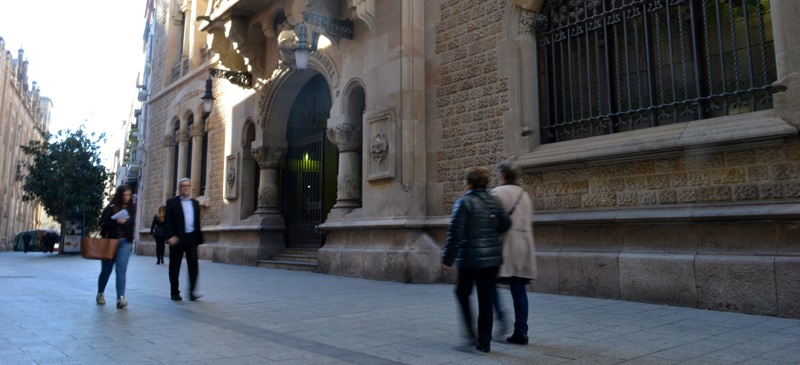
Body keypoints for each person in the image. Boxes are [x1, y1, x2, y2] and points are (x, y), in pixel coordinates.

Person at [441, 166, 511, 353]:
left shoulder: (463, 203)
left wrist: (447, 258)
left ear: (469, 183)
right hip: (491, 260)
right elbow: (506, 224)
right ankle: (484, 341)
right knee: (486, 298)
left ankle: (471, 334)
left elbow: (454, 234)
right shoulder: (494, 201)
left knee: (462, 293)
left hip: (469, 260)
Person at [491, 160, 537, 345]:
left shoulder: (497, 193)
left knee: (488, 282)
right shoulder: (525, 195)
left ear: (502, 175)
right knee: (519, 289)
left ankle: (501, 317)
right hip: (524, 245)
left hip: (504, 245)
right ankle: (521, 331)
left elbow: (492, 220)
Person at [164, 178, 204, 301]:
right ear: (179, 188)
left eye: (187, 185)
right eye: (183, 186)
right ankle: (174, 292)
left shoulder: (195, 203)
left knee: (193, 265)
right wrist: (170, 236)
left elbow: (197, 221)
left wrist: (198, 238)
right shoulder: (172, 202)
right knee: (175, 266)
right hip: (177, 238)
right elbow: (167, 221)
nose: (185, 188)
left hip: (191, 238)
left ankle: (192, 291)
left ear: (190, 187)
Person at [96, 185, 136, 308]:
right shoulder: (111, 207)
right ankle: (100, 293)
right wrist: (116, 222)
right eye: (125, 195)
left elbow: (131, 224)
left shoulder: (131, 208)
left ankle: (120, 298)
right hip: (110, 243)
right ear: (120, 195)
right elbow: (102, 224)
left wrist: (127, 223)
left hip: (125, 242)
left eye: (129, 195)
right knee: (106, 270)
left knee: (121, 270)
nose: (127, 198)